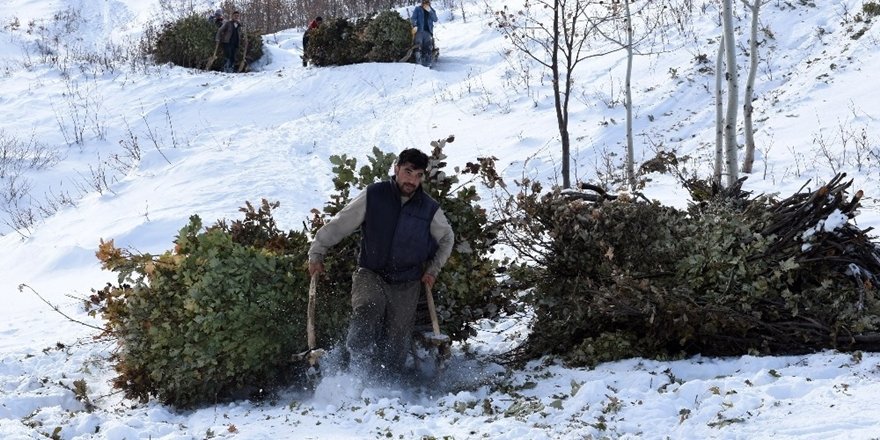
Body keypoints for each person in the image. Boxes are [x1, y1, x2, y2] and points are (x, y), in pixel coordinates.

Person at [307, 148, 454, 380]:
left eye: (418, 175)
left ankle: (388, 384)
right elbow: (341, 223)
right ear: (396, 169)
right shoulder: (374, 194)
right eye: (408, 172)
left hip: (407, 281)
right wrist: (317, 253)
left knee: (398, 338)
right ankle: (358, 372)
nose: (412, 180)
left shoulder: (428, 208)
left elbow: (447, 238)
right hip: (371, 273)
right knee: (368, 306)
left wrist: (433, 270)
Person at [410, 0, 438, 67]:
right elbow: (413, 18)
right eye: (424, 2)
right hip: (419, 31)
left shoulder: (431, 10)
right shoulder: (418, 9)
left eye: (427, 2)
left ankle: (428, 64)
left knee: (428, 48)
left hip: (428, 32)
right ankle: (418, 64)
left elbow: (435, 19)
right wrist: (414, 25)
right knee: (418, 47)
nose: (425, 3)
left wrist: (430, 11)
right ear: (422, 3)